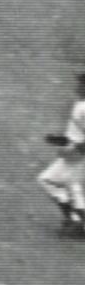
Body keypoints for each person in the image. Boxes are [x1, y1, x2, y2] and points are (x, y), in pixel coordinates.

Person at [38, 71, 85, 235]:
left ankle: (75, 221)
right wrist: (61, 139)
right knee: (73, 186)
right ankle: (77, 222)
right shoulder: (80, 105)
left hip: (79, 155)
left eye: (82, 83)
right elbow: (78, 133)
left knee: (47, 180)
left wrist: (74, 150)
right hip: (76, 152)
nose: (78, 86)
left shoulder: (84, 108)